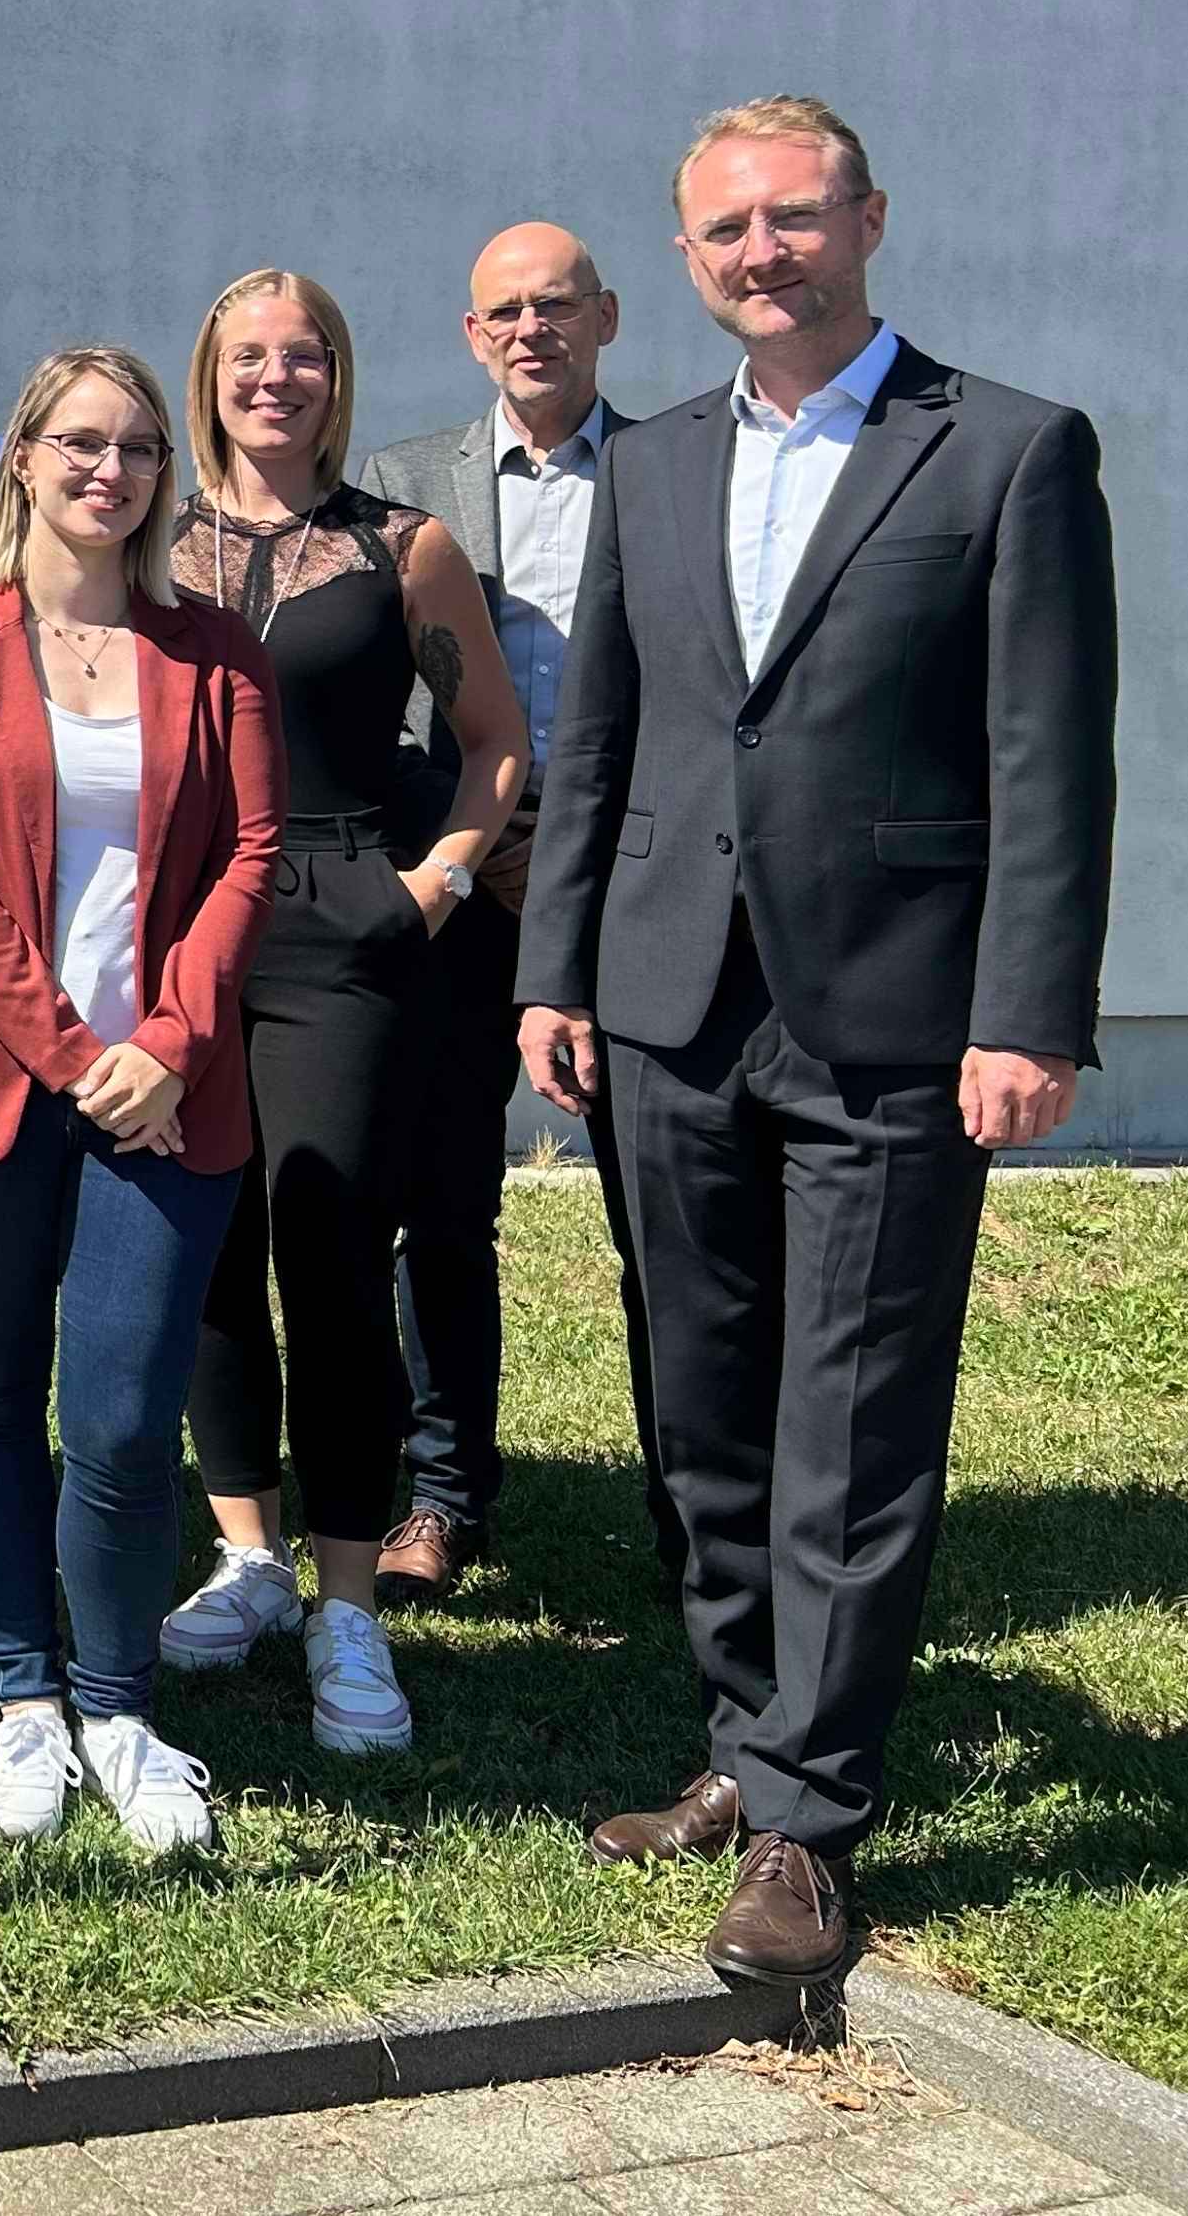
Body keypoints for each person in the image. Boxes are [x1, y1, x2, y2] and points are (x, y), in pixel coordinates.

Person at [523, 97, 1115, 1983]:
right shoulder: (657, 461)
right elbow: (597, 741)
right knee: (700, 1400)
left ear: (867, 217)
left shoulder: (1010, 449)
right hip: (670, 997)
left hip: (893, 1015)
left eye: (792, 218)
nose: (760, 253)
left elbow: (1047, 762)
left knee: (850, 1419)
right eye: (723, 233)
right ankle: (739, 1730)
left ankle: (807, 1819)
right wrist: (555, 970)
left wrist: (1027, 1010)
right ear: (685, 262)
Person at [0, 347, 282, 1855]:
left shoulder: (216, 650)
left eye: (135, 448)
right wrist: (72, 1051)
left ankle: (119, 1705)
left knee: (115, 1416)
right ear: (26, 458)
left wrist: (167, 1041)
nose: (107, 470)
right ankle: (23, 1697)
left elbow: (250, 854)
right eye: (79, 443)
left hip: (172, 1092)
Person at [164, 268, 523, 1758]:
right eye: (247, 355)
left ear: (336, 375)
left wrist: (432, 886)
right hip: (179, 923)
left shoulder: (403, 547)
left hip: (340, 920)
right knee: (203, 1246)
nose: (274, 378)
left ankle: (348, 1598)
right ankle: (245, 1552)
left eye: (301, 355)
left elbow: (496, 739)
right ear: (210, 373)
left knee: (327, 1245)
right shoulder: (143, 533)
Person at [360, 225, 635, 1603]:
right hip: (461, 883)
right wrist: (476, 844)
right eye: (504, 311)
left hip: (638, 891)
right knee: (442, 1201)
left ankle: (701, 1511)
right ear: (474, 335)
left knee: (668, 1216)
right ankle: (443, 1491)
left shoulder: (672, 470)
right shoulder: (402, 484)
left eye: (557, 306)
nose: (532, 329)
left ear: (608, 318)